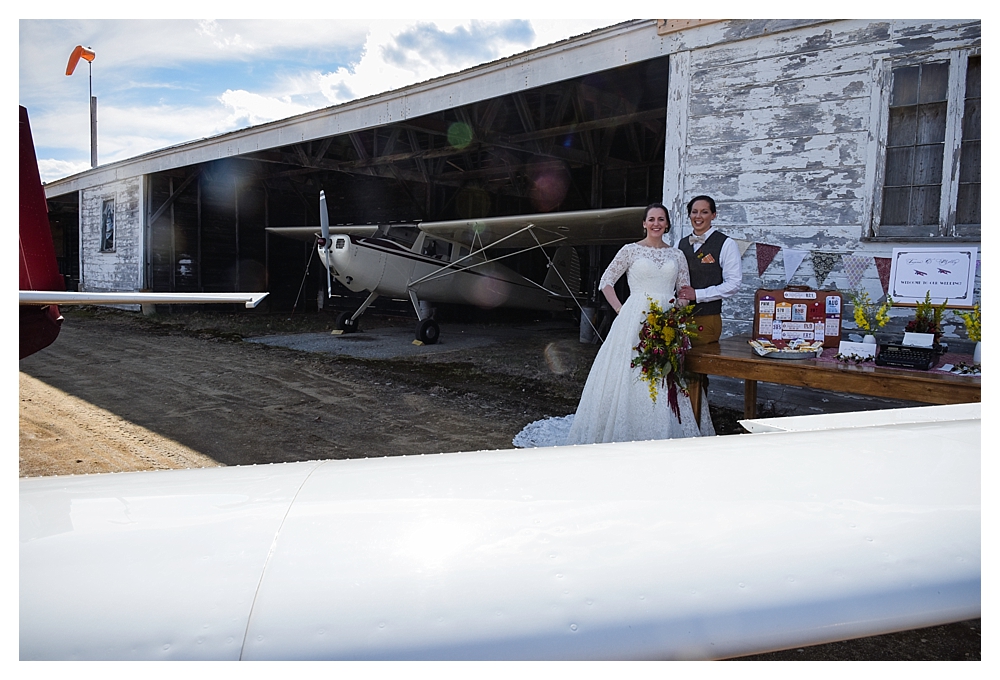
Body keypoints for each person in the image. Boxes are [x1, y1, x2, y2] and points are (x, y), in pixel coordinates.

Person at [563, 203, 715, 445]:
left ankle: (662, 428)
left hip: (666, 320)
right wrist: (621, 310)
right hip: (633, 319)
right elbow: (606, 282)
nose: (656, 223)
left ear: (667, 224)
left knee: (663, 374)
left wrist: (675, 315)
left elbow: (684, 291)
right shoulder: (630, 250)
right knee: (630, 372)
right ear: (644, 223)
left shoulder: (676, 254)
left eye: (661, 219)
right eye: (651, 219)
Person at [676, 196, 742, 345]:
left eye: (704, 212)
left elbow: (733, 284)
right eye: (694, 212)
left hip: (707, 318)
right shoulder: (679, 244)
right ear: (689, 215)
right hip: (677, 317)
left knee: (701, 365)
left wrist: (698, 295)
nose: (698, 216)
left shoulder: (726, 244)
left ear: (713, 215)